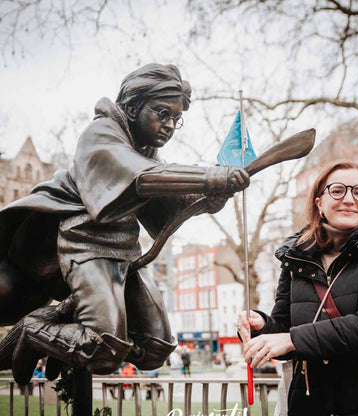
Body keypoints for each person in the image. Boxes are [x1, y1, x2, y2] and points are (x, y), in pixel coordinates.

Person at [0, 63, 250, 385]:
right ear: (132, 107)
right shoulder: (101, 135)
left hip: (125, 253)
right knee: (104, 346)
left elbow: (163, 211)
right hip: (85, 243)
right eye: (163, 114)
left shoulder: (148, 155)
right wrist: (206, 177)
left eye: (176, 119)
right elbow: (141, 178)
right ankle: (36, 329)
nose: (170, 126)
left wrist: (213, 197)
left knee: (156, 347)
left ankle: (60, 321)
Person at [237, 160, 358, 416]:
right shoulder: (296, 258)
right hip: (310, 405)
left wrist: (291, 340)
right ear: (319, 202)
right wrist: (263, 327)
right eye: (338, 190)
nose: (349, 199)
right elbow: (286, 330)